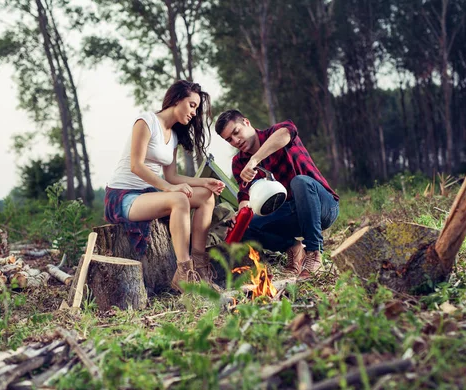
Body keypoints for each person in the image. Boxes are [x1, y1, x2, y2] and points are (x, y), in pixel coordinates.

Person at [105, 80, 225, 292]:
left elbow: (172, 176)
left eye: (196, 108)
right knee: (179, 199)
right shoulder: (147, 121)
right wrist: (169, 189)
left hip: (147, 194)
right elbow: (136, 165)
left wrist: (204, 182)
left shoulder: (174, 136)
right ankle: (184, 272)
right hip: (123, 196)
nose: (194, 113)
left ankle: (200, 267)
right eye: (192, 105)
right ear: (177, 99)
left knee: (206, 196)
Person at [215, 110, 340, 279]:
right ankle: (294, 249)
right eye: (229, 139)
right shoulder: (238, 163)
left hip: (322, 206)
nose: (235, 141)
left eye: (236, 132)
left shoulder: (276, 132)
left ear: (246, 122)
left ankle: (314, 253)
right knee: (246, 226)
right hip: (289, 215)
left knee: (300, 182)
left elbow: (286, 133)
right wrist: (240, 218)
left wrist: (254, 160)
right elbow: (245, 198)